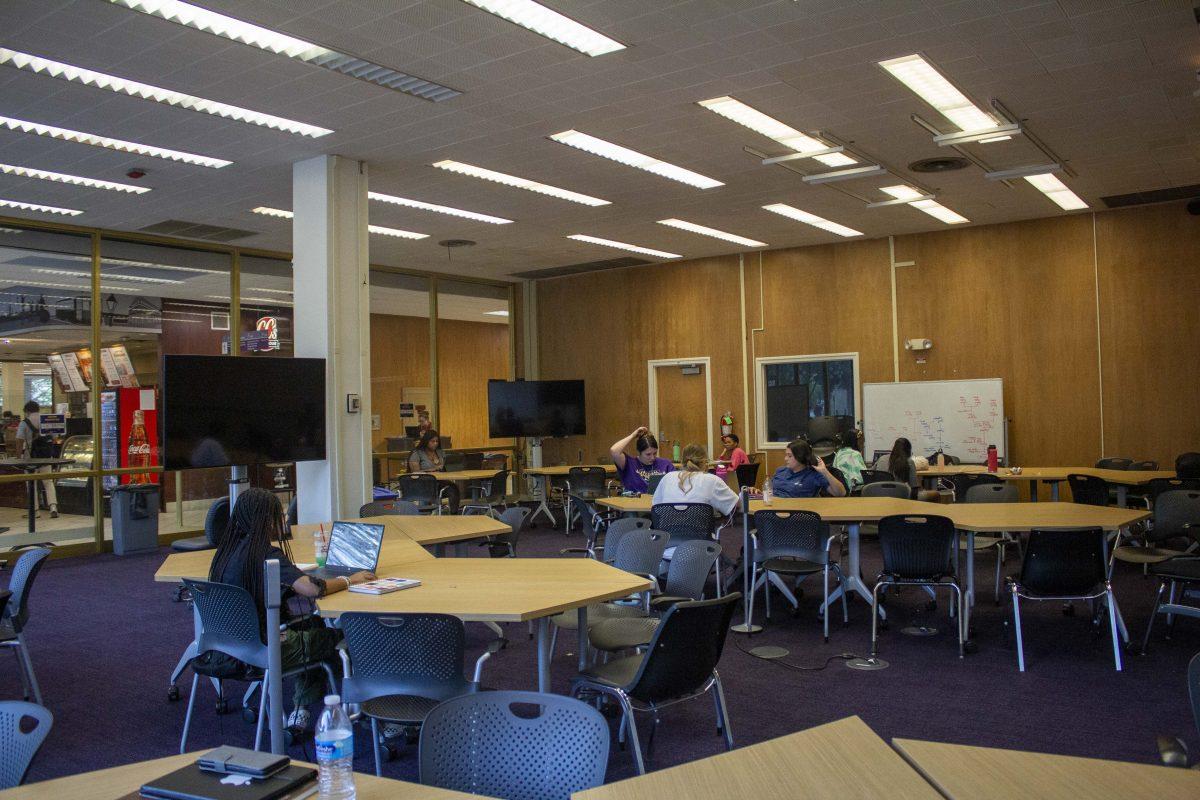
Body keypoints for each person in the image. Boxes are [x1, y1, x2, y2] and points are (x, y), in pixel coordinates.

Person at [207, 488, 375, 732]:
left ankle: (302, 710)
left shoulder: (225, 553)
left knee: (312, 627)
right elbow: (312, 589)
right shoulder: (266, 555)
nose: (284, 519)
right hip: (262, 649)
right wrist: (351, 580)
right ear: (265, 520)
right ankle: (362, 707)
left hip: (227, 647)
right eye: (279, 515)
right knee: (335, 639)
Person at [652, 443, 739, 515]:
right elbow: (735, 506)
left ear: (682, 461)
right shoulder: (712, 480)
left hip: (667, 534)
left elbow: (655, 506)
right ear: (705, 461)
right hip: (700, 534)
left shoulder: (667, 477)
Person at [17, 400, 57, 518]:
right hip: (46, 456)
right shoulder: (46, 420)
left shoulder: (24, 423)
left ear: (27, 411)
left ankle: (35, 511)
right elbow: (54, 437)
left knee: (31, 483)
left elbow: (19, 440)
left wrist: (18, 457)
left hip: (30, 457)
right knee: (48, 482)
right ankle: (53, 508)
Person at [770, 439, 846, 498]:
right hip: (773, 509)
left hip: (796, 513)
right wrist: (761, 494)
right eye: (786, 455)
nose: (785, 459)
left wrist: (825, 472)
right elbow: (770, 490)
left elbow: (841, 493)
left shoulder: (814, 475)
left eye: (789, 456)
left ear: (800, 457)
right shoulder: (780, 470)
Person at [407, 428, 460, 513]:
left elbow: (442, 467)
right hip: (422, 485)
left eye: (437, 441)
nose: (435, 443)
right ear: (426, 441)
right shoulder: (417, 453)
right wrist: (432, 470)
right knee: (426, 492)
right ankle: (424, 515)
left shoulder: (440, 452)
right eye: (432, 441)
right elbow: (415, 473)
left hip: (438, 483)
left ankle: (454, 514)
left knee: (453, 488)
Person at [610, 426, 674, 494]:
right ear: (639, 452)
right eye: (648, 454)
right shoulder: (629, 464)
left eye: (655, 453)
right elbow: (614, 451)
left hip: (658, 502)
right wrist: (633, 435)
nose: (652, 457)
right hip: (634, 502)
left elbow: (676, 483)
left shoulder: (665, 464)